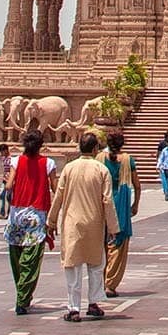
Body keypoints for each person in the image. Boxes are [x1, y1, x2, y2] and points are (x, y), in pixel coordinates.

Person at [51, 132, 118, 322]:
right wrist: (113, 227)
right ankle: (93, 303)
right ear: (96, 149)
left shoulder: (69, 169)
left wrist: (51, 220)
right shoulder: (101, 169)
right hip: (94, 223)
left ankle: (73, 308)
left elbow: (59, 196)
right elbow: (107, 200)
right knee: (96, 265)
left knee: (72, 265)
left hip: (72, 222)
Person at [3, 130, 58, 316]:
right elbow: (55, 188)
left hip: (17, 214)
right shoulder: (48, 163)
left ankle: (22, 293)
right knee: (31, 260)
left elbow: (9, 186)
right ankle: (23, 297)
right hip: (36, 214)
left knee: (17, 257)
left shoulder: (16, 161)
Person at [101, 133, 140, 298]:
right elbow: (137, 185)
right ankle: (110, 283)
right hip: (120, 204)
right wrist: (135, 204)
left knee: (104, 242)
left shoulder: (99, 159)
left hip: (103, 201)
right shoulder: (127, 160)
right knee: (118, 243)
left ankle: (103, 279)